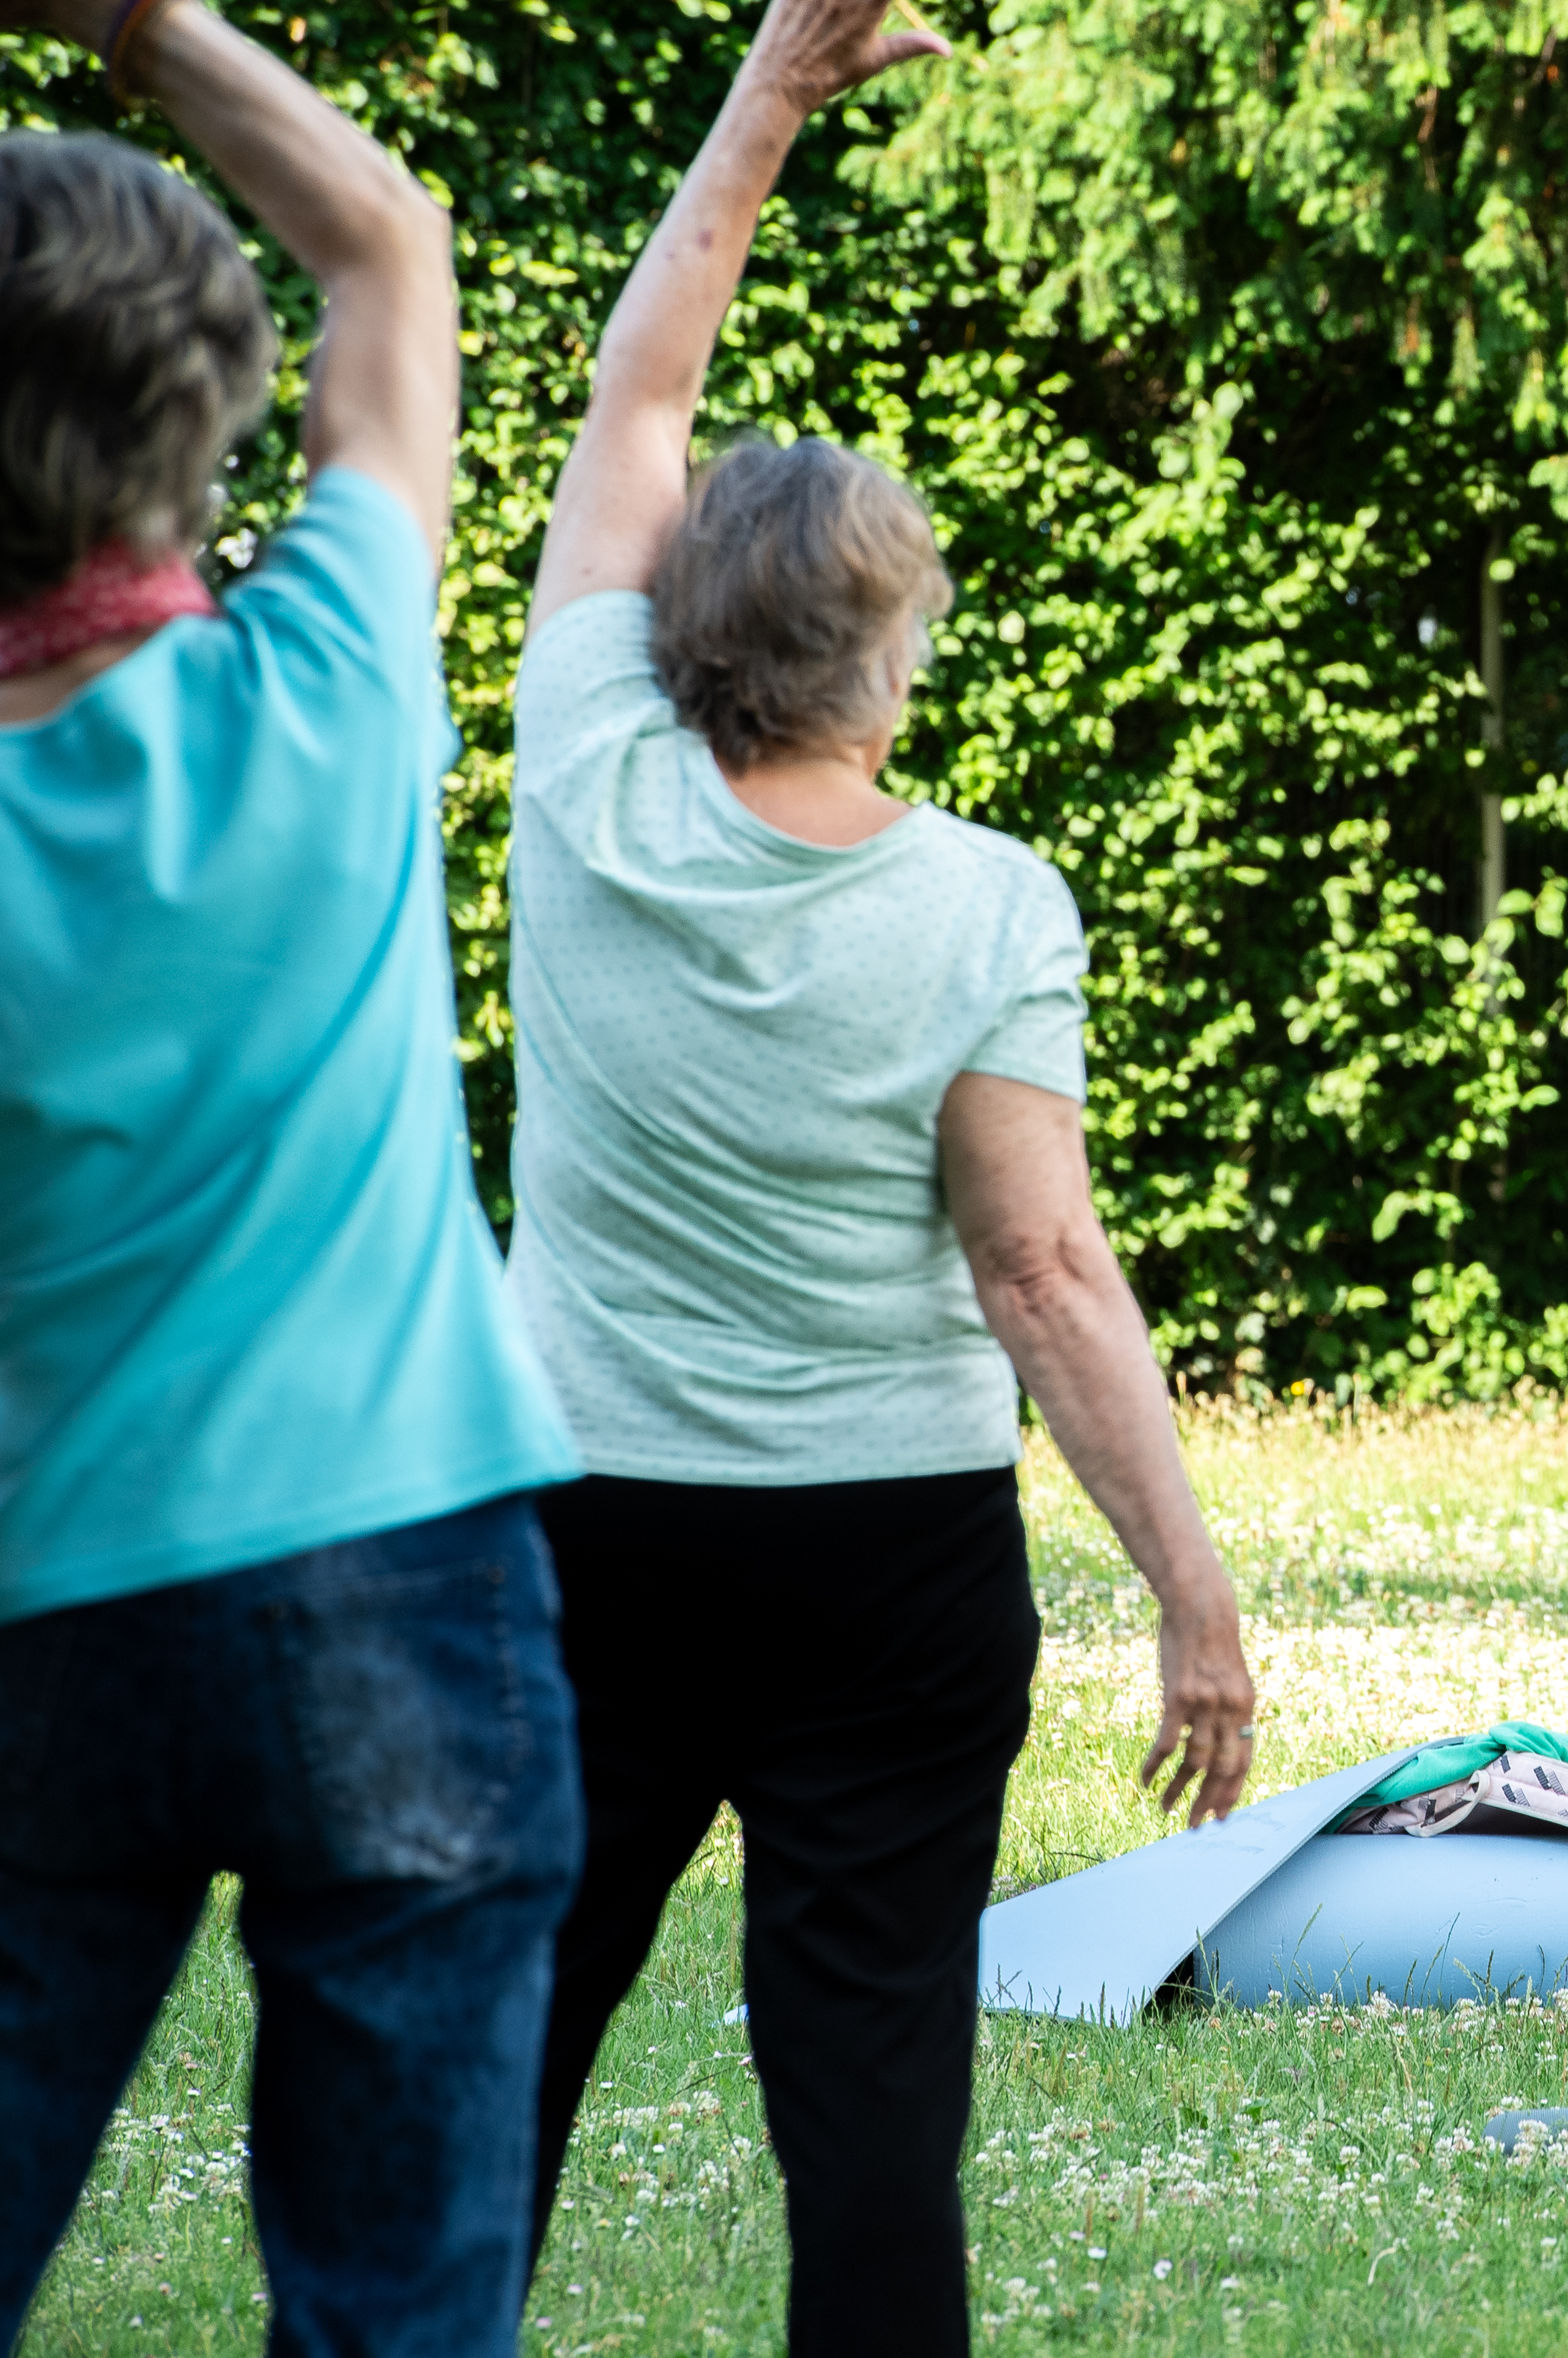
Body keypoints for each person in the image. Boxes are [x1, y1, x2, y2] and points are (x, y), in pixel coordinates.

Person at [499, 0, 1259, 2345]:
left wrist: (763, 96)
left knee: (492, 2062)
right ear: (891, 639)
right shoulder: (986, 903)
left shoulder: (586, 772)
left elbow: (639, 398)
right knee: (863, 2108)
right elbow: (1040, 1269)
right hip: (882, 1567)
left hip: (576, 1529)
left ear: (677, 631)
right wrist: (1194, 1596)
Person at [0, 3, 590, 2347]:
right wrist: (140, 21)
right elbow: (388, 243)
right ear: (204, 409)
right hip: (409, 1598)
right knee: (397, 2319)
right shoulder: (328, 683)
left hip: (50, 1621)